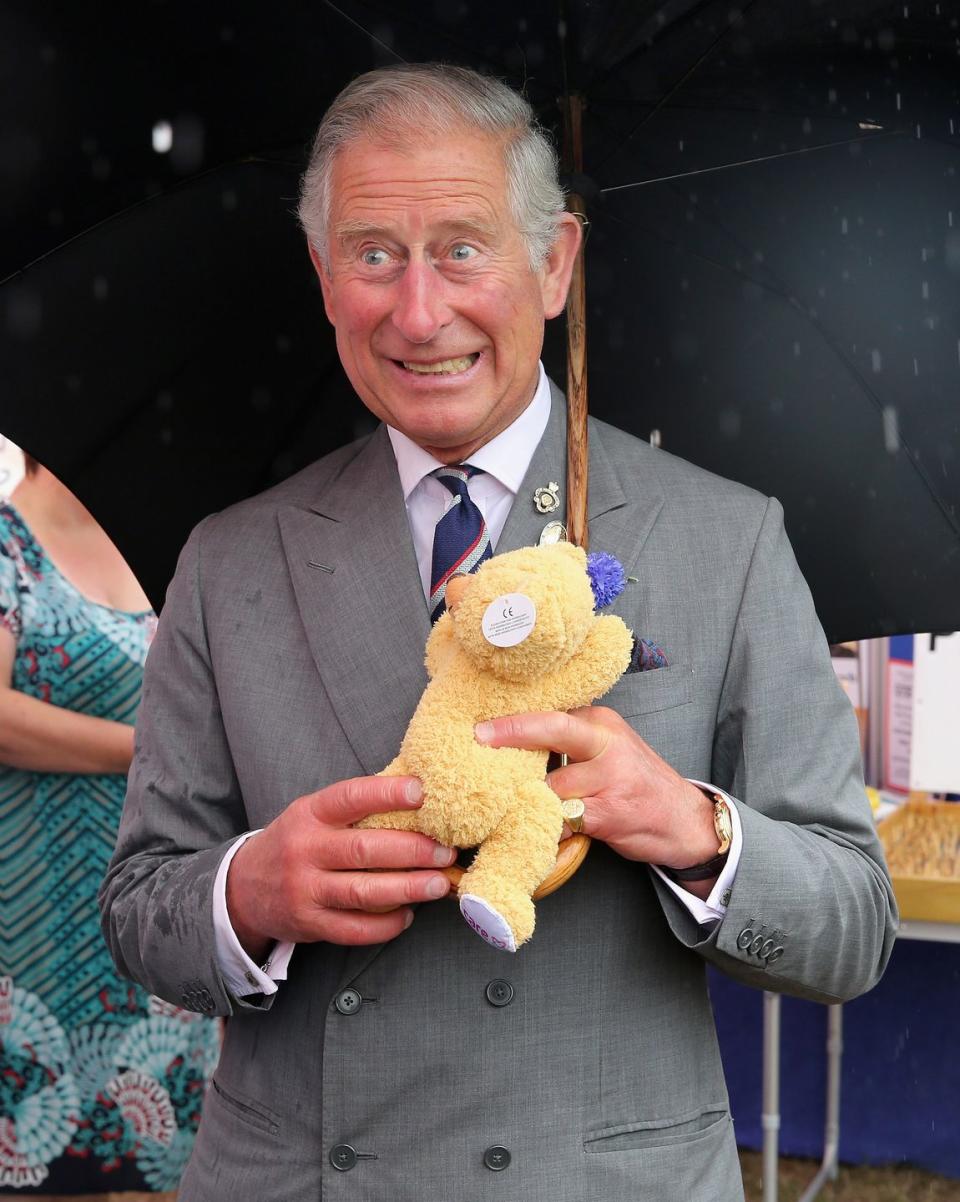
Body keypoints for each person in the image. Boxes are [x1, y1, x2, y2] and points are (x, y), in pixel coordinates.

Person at [99, 64, 897, 1202]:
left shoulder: (726, 536)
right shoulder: (232, 557)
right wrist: (247, 894)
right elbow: (138, 909)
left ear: (556, 261)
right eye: (374, 254)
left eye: (464, 249)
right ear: (324, 278)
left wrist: (694, 826)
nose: (419, 313)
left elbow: (855, 926)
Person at [0, 455, 220, 1198]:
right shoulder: (5, 538)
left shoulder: (165, 550)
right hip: (34, 918)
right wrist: (146, 750)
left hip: (152, 896)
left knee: (153, 1167)